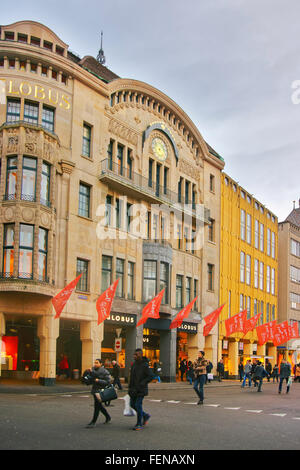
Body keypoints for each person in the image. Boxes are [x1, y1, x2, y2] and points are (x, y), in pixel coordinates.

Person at [128, 348, 154, 431]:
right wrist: (130, 388)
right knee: (132, 404)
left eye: (136, 355)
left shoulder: (145, 365)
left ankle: (139, 423)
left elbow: (151, 376)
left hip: (141, 389)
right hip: (133, 389)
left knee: (138, 405)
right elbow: (131, 377)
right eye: (134, 354)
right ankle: (145, 415)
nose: (134, 356)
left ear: (141, 355)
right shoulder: (134, 364)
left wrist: (143, 383)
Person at [85, 358, 112, 428]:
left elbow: (108, 382)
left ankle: (93, 422)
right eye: (95, 362)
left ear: (101, 364)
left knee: (97, 406)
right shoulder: (93, 370)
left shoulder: (105, 371)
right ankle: (108, 416)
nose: (95, 364)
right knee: (99, 406)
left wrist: (98, 380)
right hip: (95, 390)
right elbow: (91, 379)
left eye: (97, 363)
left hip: (101, 391)